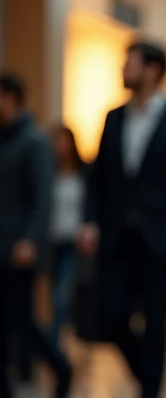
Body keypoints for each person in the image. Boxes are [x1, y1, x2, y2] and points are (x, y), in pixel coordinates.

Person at [77, 42, 166, 398]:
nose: (123, 68)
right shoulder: (113, 118)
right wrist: (89, 222)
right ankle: (149, 381)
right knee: (111, 319)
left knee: (155, 325)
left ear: (152, 70)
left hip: (161, 241)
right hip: (116, 238)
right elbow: (97, 180)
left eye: (129, 62)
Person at [0, 73, 73, 398]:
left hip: (20, 247)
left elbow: (43, 198)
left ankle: (60, 367)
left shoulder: (33, 142)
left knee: (22, 318)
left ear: (12, 98)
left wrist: (30, 239)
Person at [48, 125, 87, 347]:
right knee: (54, 298)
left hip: (74, 244)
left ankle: (56, 349)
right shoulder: (49, 173)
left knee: (62, 298)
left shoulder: (82, 174)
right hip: (52, 243)